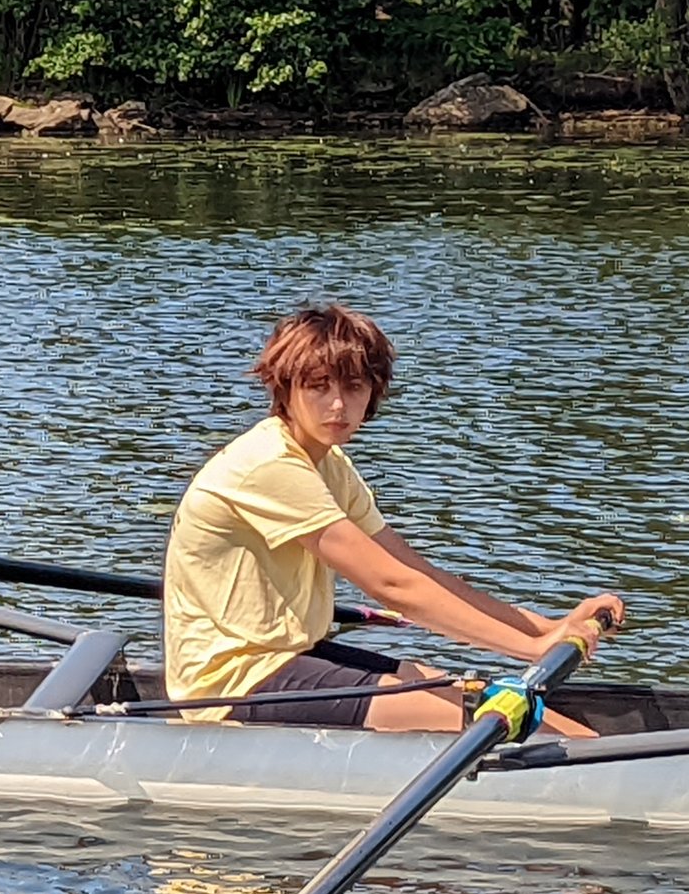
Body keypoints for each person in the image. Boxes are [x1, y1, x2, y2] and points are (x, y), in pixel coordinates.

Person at [163, 303, 622, 734]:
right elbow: (392, 589)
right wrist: (531, 650)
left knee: (477, 698)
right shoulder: (270, 465)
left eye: (353, 387)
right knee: (487, 718)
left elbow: (416, 572)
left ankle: (613, 768)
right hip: (230, 684)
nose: (338, 405)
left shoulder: (329, 465)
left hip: (289, 656)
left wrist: (543, 626)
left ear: (373, 393)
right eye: (318, 386)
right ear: (285, 389)